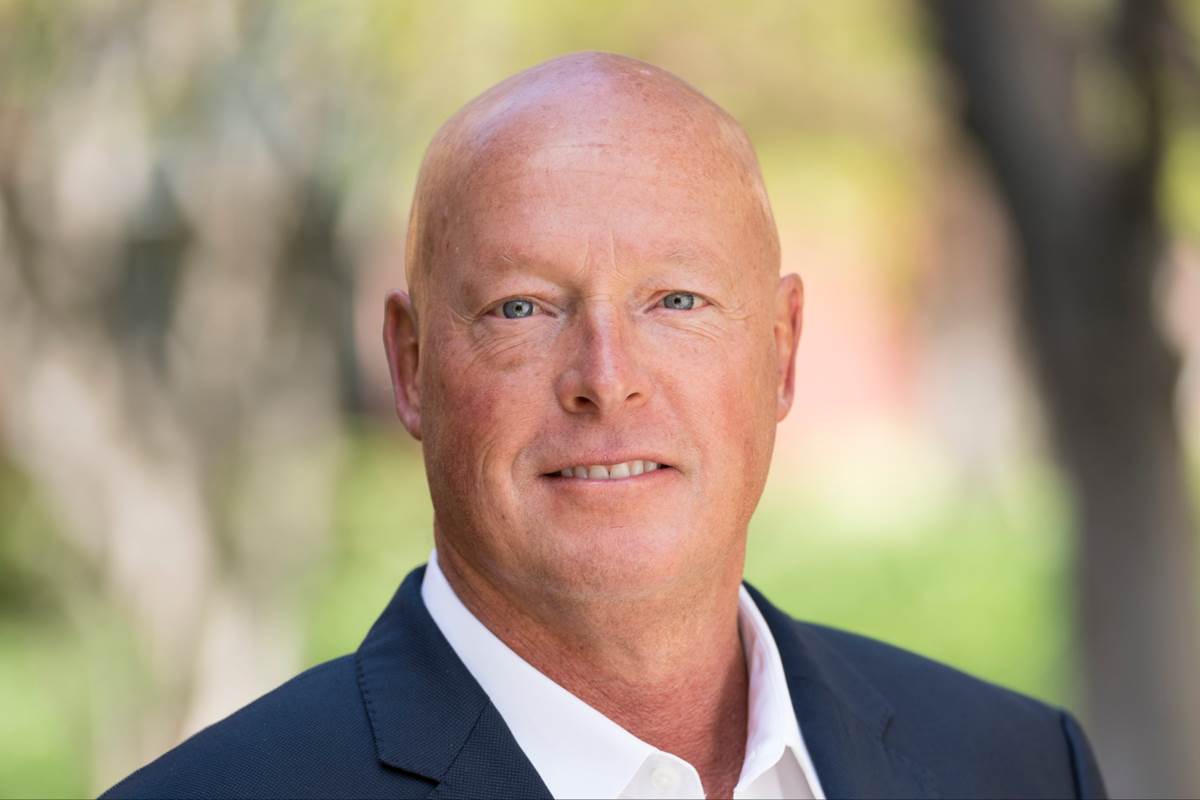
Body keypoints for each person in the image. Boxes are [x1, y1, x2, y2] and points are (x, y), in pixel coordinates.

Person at [103, 51, 1108, 800]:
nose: (606, 380)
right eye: (522, 308)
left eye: (675, 300)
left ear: (782, 350)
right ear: (410, 366)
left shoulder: (1020, 767)